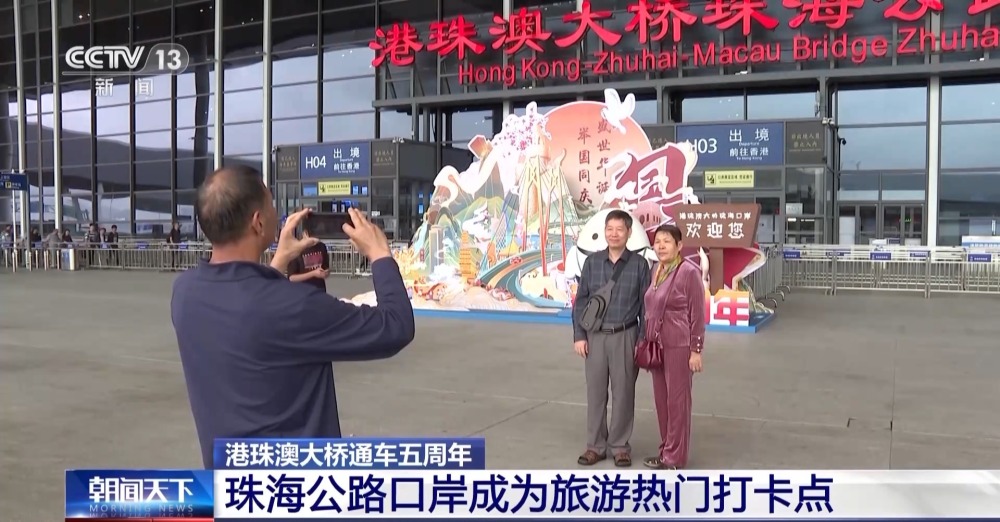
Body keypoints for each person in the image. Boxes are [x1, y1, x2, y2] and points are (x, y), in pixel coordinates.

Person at [171, 166, 415, 468]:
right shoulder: (293, 306)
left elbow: (244, 301)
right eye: (271, 203)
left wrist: (278, 262)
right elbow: (395, 325)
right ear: (258, 222)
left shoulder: (185, 292)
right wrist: (380, 254)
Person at [571, 210, 651, 468]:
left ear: (629, 233)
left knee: (624, 393)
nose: (614, 234)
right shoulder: (592, 263)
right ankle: (595, 446)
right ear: (604, 232)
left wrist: (641, 340)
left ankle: (620, 446)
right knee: (595, 393)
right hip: (595, 337)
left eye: (619, 229)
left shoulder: (639, 265)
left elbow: (646, 307)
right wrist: (579, 336)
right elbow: (581, 301)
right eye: (610, 229)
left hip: (626, 335)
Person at [641, 224, 706, 470]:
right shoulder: (657, 270)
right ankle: (666, 450)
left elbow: (697, 314)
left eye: (667, 241)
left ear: (679, 246)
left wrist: (696, 350)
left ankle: (675, 458)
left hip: (679, 345)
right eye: (658, 241)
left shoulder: (689, 272)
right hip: (658, 346)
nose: (661, 246)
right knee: (662, 401)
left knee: (678, 402)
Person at [287, 224, 330, 292]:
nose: (315, 242)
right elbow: (292, 278)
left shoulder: (321, 246)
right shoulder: (296, 250)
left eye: (317, 240)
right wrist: (313, 273)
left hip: (319, 289)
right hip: (302, 291)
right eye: (312, 240)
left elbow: (325, 267)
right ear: (305, 234)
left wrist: (326, 273)